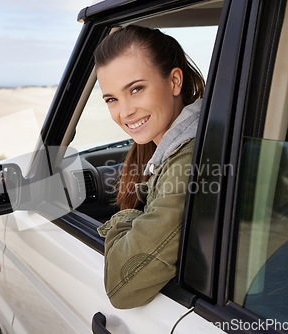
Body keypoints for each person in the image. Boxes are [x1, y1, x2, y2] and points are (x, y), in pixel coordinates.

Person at [95, 25, 205, 309]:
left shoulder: (188, 160)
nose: (125, 111)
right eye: (112, 99)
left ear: (174, 81)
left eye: (136, 89)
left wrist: (126, 220)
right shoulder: (173, 146)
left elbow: (122, 288)